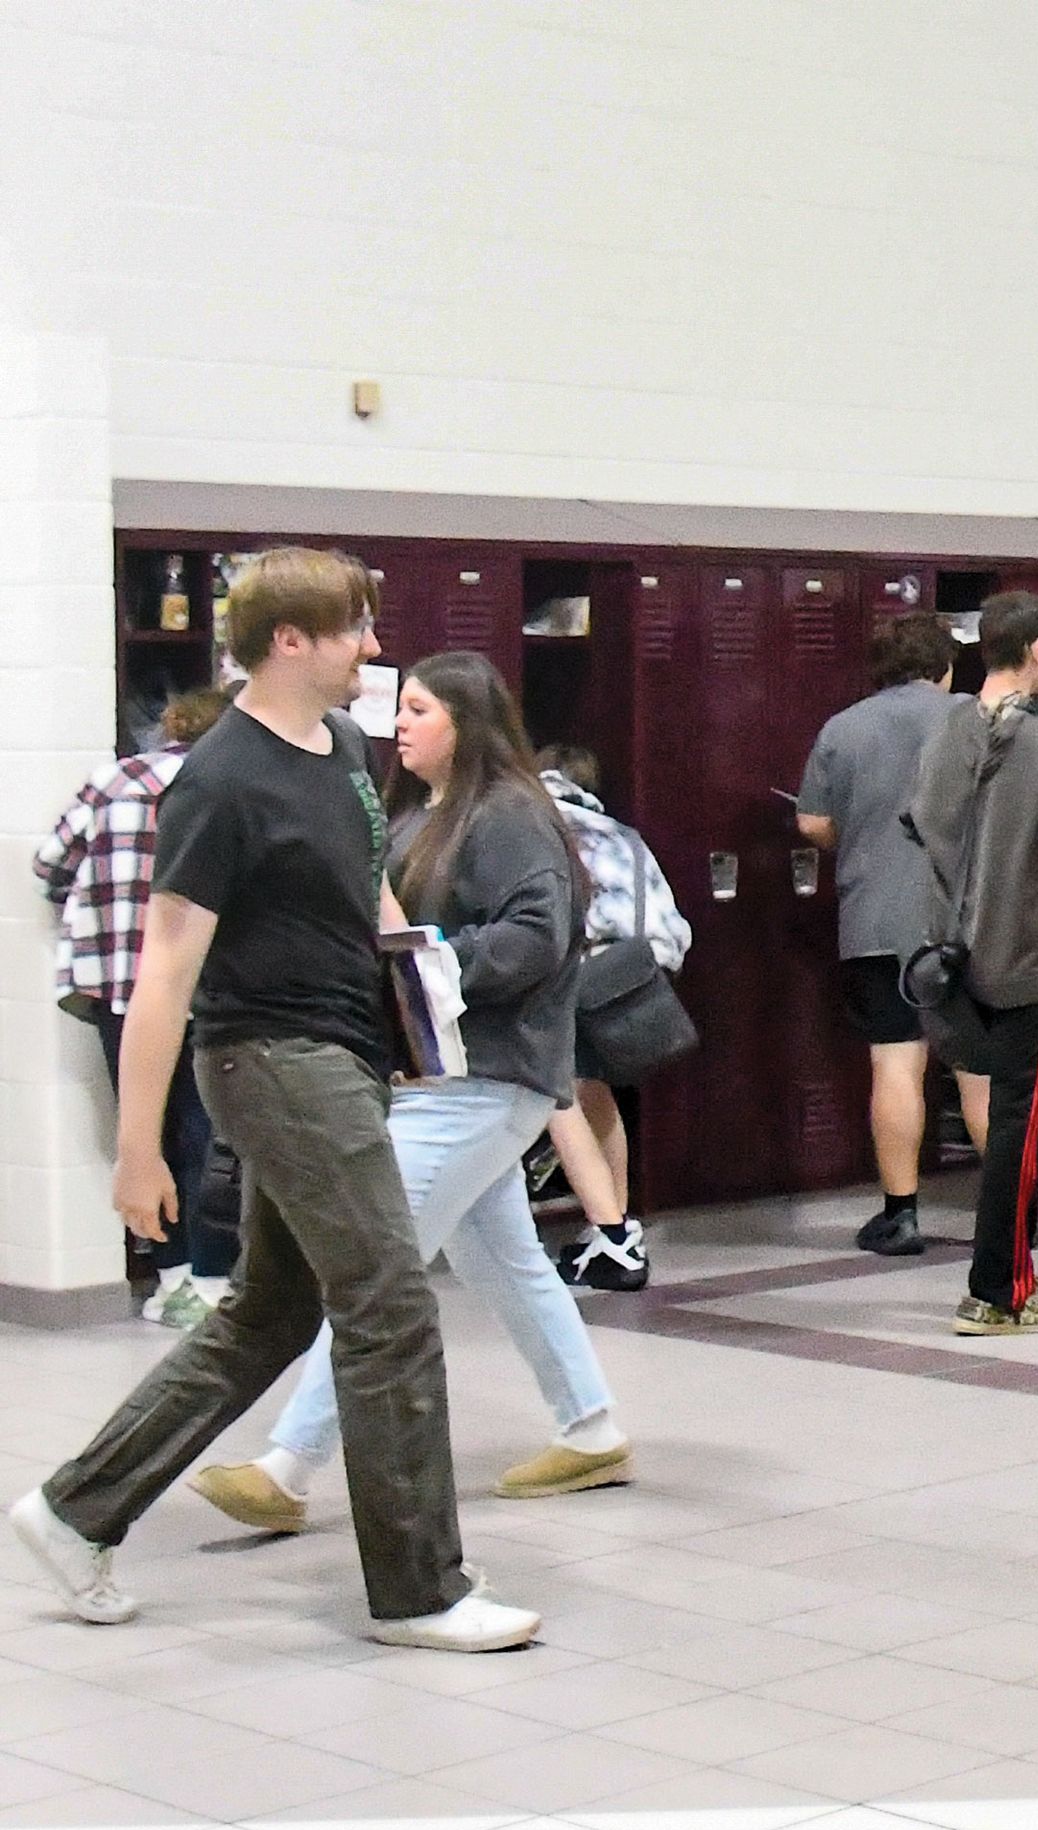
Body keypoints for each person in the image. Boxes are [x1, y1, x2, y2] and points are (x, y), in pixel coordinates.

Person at [7, 548, 537, 1650]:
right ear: (290, 641)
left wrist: (415, 977)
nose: (375, 651)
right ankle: (419, 1589)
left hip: (342, 1052)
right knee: (390, 1304)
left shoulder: (340, 750)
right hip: (271, 1059)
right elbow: (165, 969)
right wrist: (138, 1148)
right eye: (355, 631)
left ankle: (74, 1510)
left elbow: (364, 889)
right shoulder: (220, 780)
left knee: (274, 1311)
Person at [192, 652, 630, 1531]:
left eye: (421, 710)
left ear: (465, 723)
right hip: (434, 1073)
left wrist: (426, 967)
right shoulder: (416, 814)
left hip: (485, 1075)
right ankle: (591, 1429)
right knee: (503, 1261)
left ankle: (289, 1466)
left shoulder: (508, 816)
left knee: (372, 1270)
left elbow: (536, 939)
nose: (401, 724)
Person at [907, 590, 1038, 1334]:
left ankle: (1008, 1262)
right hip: (1023, 957)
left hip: (949, 956)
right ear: (1034, 649)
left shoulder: (943, 733)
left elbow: (923, 823)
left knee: (999, 1118)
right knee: (1020, 1129)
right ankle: (999, 1290)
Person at [34, 683, 239, 1328]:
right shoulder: (227, 787)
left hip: (116, 986)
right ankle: (210, 1278)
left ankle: (169, 1273)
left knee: (146, 1132)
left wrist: (98, 896)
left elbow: (49, 865)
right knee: (208, 1132)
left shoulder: (113, 781)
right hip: (202, 987)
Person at [797, 614, 989, 1255]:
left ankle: (900, 1215)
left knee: (896, 1062)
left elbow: (814, 824)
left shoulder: (842, 727)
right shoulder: (978, 717)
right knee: (979, 1068)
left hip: (877, 920)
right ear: (947, 666)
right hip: (971, 920)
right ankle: (1011, 1208)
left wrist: (858, 831)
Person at [536, 746, 691, 1292]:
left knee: (560, 1095)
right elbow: (672, 929)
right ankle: (615, 1225)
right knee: (594, 1094)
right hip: (623, 976)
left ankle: (613, 1233)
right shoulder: (621, 833)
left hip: (566, 978)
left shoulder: (540, 824)